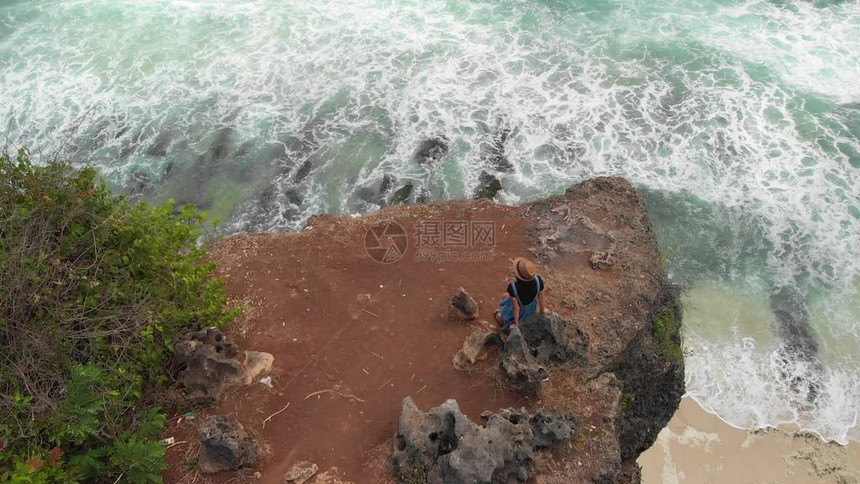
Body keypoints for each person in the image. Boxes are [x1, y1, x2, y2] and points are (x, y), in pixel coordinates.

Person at [494, 257, 548, 333]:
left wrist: (517, 325)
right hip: (532, 308)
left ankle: (501, 317)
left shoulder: (512, 287)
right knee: (505, 296)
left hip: (520, 312)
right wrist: (542, 313)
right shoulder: (538, 280)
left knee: (498, 316)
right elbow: (541, 300)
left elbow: (516, 308)